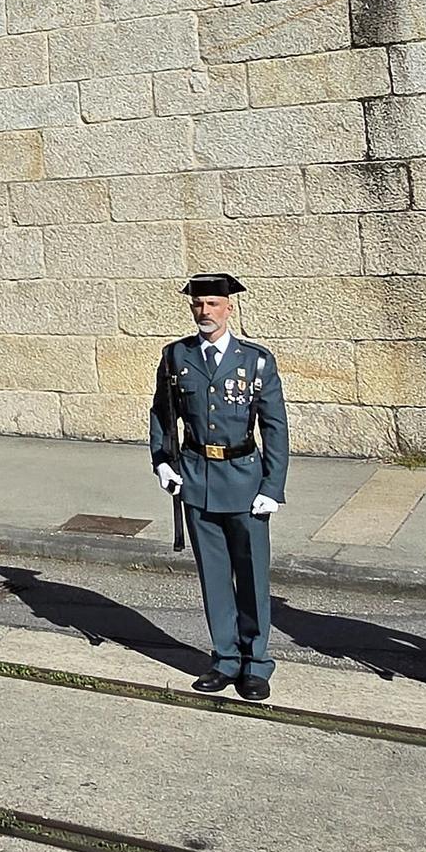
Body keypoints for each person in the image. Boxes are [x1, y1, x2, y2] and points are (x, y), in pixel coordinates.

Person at [148, 273, 288, 699]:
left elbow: (276, 427)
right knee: (213, 576)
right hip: (196, 477)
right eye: (198, 305)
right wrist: (162, 461)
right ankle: (225, 659)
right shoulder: (176, 357)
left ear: (229, 308)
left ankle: (256, 663)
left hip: (245, 479)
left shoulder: (256, 360)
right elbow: (162, 413)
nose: (204, 312)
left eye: (212, 304)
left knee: (250, 576)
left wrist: (272, 485)